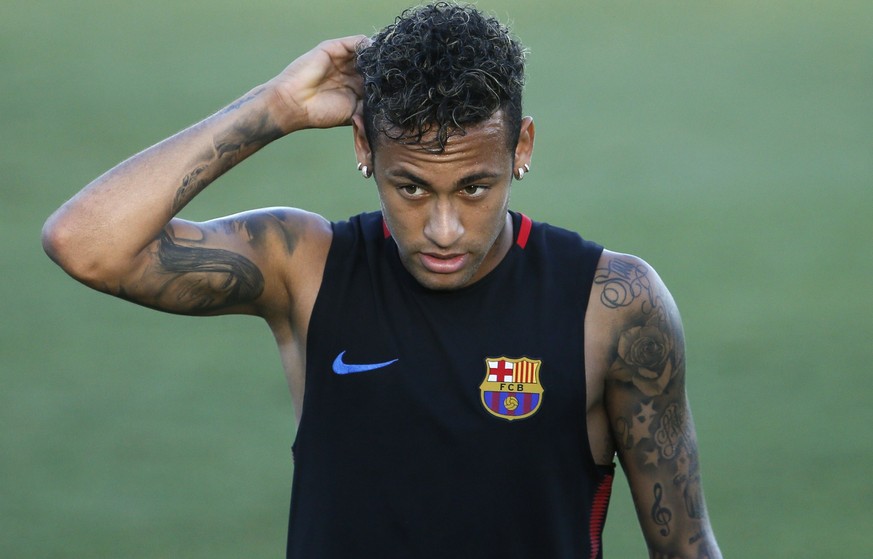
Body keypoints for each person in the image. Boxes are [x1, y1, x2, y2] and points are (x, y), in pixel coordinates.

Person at [43, 2, 722, 557]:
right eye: (411, 188)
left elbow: (685, 549)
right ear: (364, 147)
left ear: (521, 148)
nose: (444, 230)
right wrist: (275, 106)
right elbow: (86, 243)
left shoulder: (612, 304)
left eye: (474, 187)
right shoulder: (305, 267)